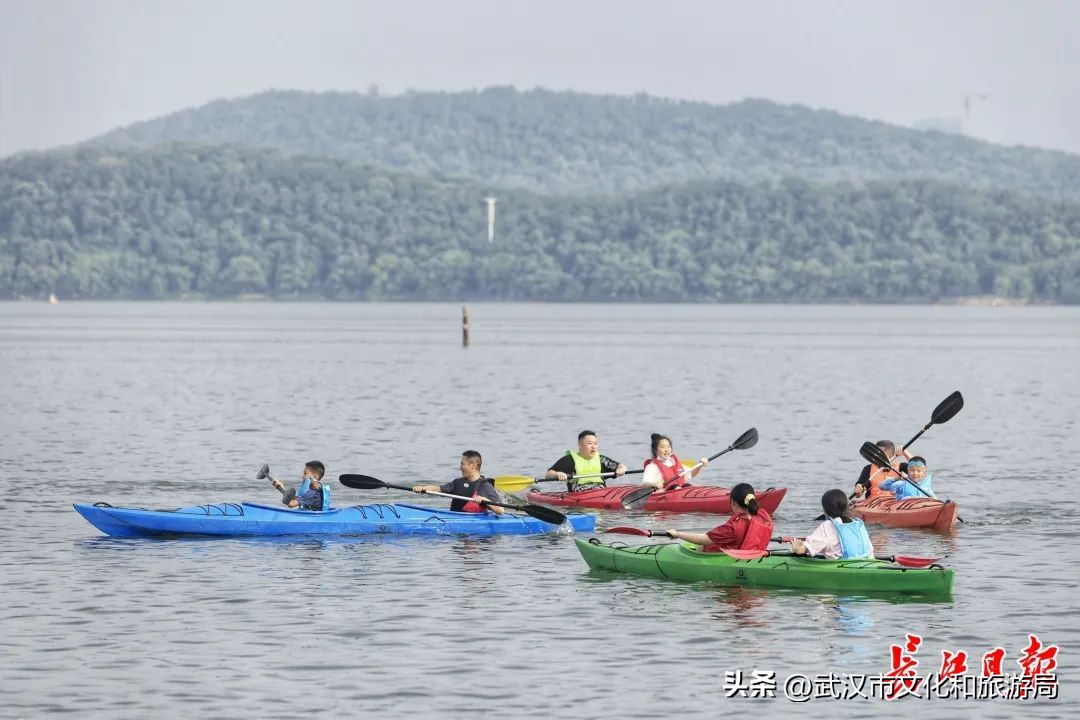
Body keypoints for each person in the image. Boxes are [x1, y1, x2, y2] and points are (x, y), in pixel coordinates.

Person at [663, 483, 773, 552]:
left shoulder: (732, 528)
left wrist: (678, 534)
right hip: (751, 554)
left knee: (700, 545)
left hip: (727, 557)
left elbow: (702, 539)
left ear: (733, 503)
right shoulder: (762, 516)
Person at [412, 450, 504, 515]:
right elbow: (438, 489)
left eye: (462, 464)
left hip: (473, 531)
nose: (460, 468)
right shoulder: (458, 482)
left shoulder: (485, 486)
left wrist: (484, 500)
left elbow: (500, 510)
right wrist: (423, 488)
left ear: (473, 465)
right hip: (453, 521)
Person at [791, 489, 874, 559]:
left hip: (843, 568)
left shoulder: (827, 526)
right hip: (867, 562)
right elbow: (870, 551)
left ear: (825, 510)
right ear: (846, 508)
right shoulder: (858, 524)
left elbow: (800, 550)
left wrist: (796, 545)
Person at [546, 430, 627, 492]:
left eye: (595, 443)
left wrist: (621, 469)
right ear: (580, 445)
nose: (593, 447)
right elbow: (548, 474)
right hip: (579, 497)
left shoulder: (601, 460)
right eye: (590, 443)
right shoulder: (569, 460)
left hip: (601, 493)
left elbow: (621, 466)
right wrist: (557, 474)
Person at [641, 433, 709, 492]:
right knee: (675, 486)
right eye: (663, 447)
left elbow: (691, 474)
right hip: (664, 493)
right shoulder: (652, 467)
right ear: (655, 450)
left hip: (679, 491)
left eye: (668, 447)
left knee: (687, 485)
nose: (667, 450)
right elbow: (645, 484)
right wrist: (654, 484)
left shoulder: (674, 462)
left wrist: (700, 465)